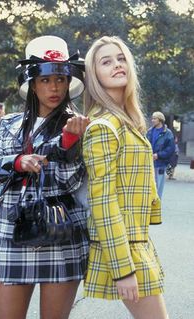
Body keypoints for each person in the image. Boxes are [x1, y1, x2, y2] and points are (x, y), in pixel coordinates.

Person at [0, 35, 89, 319]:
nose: (54, 87)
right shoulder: (9, 124)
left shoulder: (77, 124)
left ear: (68, 82)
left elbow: (70, 182)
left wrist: (68, 143)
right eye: (45, 80)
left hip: (61, 230)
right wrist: (16, 162)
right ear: (32, 84)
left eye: (61, 79)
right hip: (12, 230)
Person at [82, 36, 169, 319]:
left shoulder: (126, 120)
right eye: (106, 61)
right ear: (94, 75)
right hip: (125, 250)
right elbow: (103, 203)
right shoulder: (103, 126)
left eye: (121, 59)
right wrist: (123, 269)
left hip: (137, 242)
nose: (117, 65)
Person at [146, 111, 175, 198]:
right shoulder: (149, 131)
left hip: (161, 164)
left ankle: (157, 207)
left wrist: (158, 155)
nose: (152, 120)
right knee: (149, 186)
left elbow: (170, 149)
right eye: (152, 118)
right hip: (149, 163)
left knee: (158, 187)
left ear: (160, 120)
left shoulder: (168, 133)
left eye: (155, 118)